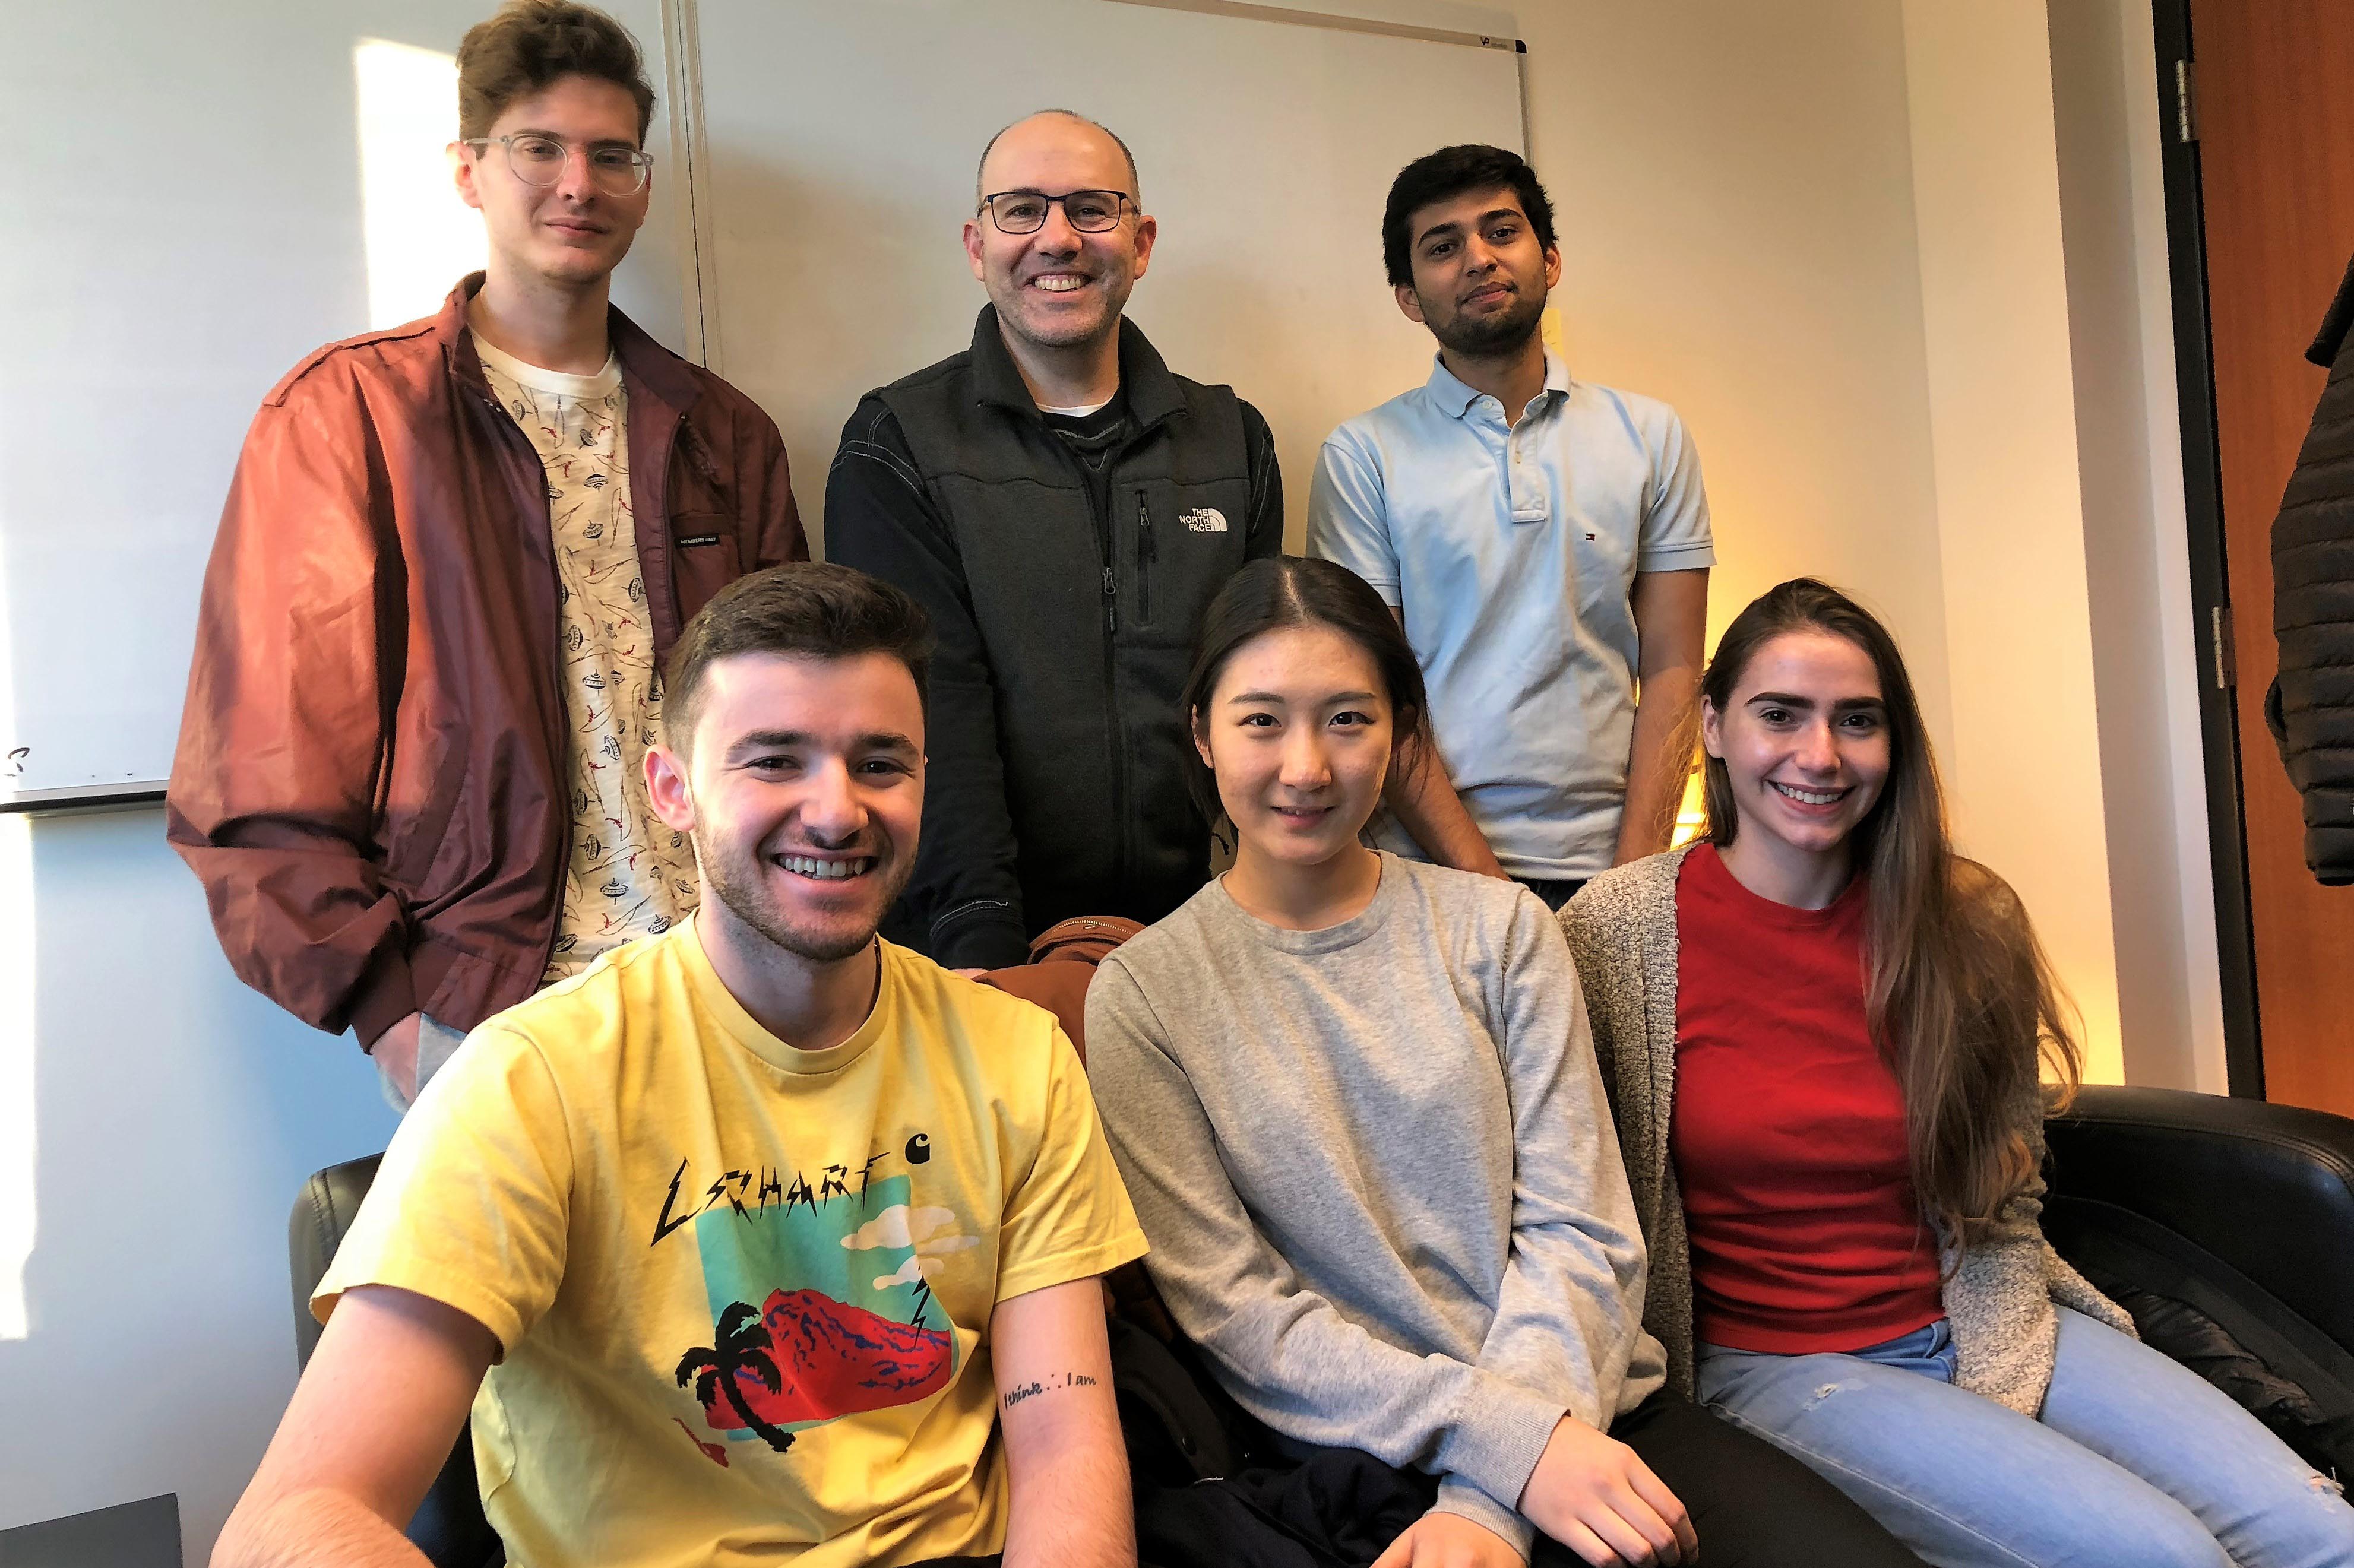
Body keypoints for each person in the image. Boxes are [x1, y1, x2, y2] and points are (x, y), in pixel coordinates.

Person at [211, 563, 1148, 1568]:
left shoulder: (1018, 1053)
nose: (837, 811)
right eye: (775, 761)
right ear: (672, 789)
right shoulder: (532, 1083)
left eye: (881, 763)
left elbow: (1062, 1442)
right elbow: (296, 1519)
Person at [1086, 556, 1925, 1568]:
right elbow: (1241, 1313)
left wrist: (1494, 1491)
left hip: (1599, 1407)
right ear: (1202, 733)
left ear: (1400, 734)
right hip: (1360, 1459)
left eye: (1348, 719)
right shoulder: (1142, 993)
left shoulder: (1503, 930)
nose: (1305, 766)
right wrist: (1507, 1451)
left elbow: (1585, 1230)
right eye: (1262, 720)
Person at [1561, 578, 2354, 1567]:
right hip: (1775, 1366)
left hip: (1978, 1306)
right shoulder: (1614, 931)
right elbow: (1571, 1210)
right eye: (1780, 715)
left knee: (2324, 1534)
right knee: (2166, 1557)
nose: (1820, 754)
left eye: (1858, 720)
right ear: (1715, 727)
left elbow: (2005, 1180)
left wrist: (2000, 1360)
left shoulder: (1967, 919)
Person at [167, 0, 805, 1108]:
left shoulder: (725, 433)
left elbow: (794, 716)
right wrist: (389, 1007)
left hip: (726, 983)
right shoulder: (350, 415)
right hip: (492, 1011)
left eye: (613, 156)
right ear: (469, 171)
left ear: (644, 185)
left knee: (758, 1286)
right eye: (539, 149)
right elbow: (261, 766)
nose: (578, 184)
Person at [827, 109, 1283, 973]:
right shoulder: (897, 445)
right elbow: (927, 711)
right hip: (969, 950)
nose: (1059, 238)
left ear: (1141, 243)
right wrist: (985, 951)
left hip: (1199, 944)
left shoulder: (1234, 442)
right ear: (976, 245)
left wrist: (1247, 918)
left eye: (1093, 208)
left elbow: (1255, 701)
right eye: (1022, 210)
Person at [1308, 144, 1711, 911]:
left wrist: (1629, 886)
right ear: (1407, 295)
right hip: (1425, 873)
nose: (1479, 258)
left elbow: (1673, 668)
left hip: (1615, 865)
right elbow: (1372, 696)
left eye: (1502, 231)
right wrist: (1492, 894)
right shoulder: (1363, 455)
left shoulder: (1651, 436)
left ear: (1550, 259)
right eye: (1443, 246)